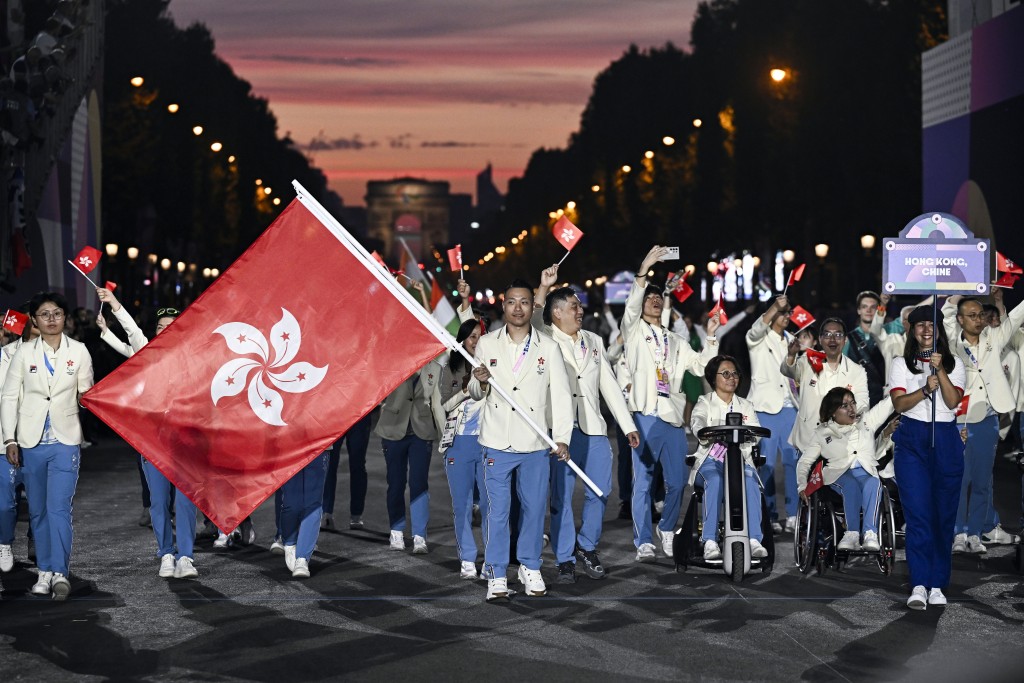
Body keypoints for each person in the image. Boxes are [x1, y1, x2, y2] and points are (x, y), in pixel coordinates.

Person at [468, 278, 573, 602]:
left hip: (535, 442)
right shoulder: (486, 344)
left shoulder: (549, 346)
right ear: (504, 304)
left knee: (532, 508)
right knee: (497, 511)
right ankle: (497, 572)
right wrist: (480, 382)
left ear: (532, 306)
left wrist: (562, 437)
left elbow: (561, 396)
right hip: (496, 439)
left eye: (524, 302)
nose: (518, 308)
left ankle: (530, 566)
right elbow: (474, 393)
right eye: (512, 301)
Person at [535, 265, 640, 583]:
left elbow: (608, 385)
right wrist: (544, 286)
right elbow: (534, 316)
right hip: (561, 432)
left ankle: (588, 546)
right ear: (556, 314)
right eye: (573, 306)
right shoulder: (546, 339)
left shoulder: (594, 341)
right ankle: (564, 556)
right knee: (562, 496)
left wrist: (627, 425)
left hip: (594, 429)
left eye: (579, 306)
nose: (580, 311)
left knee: (601, 490)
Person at [621, 246, 720, 562]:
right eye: (649, 298)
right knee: (644, 482)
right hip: (646, 415)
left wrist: (711, 336)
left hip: (673, 418)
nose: (654, 300)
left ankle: (666, 529)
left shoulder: (676, 342)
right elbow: (632, 307)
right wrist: (644, 268)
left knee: (678, 483)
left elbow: (703, 365)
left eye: (658, 298)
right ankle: (643, 541)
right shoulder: (634, 331)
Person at [96, 290, 200, 579]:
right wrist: (115, 306)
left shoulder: (192, 357)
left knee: (186, 499)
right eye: (160, 328)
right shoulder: (147, 353)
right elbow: (132, 334)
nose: (165, 332)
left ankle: (186, 557)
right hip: (154, 440)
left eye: (171, 327)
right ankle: (166, 553)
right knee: (158, 500)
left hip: (185, 440)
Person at [1, 292, 94, 600]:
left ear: (64, 318)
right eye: (44, 314)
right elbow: (9, 397)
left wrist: (88, 399)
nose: (51, 319)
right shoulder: (23, 352)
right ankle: (43, 573)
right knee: (38, 511)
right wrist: (10, 438)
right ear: (36, 321)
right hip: (29, 442)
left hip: (65, 440)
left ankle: (60, 572)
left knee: (59, 509)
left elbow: (86, 392)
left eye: (56, 313)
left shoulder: (79, 351)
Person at [889, 305, 966, 609]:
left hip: (945, 438)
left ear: (939, 330)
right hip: (912, 440)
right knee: (918, 514)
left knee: (943, 516)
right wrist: (923, 388)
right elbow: (898, 403)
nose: (925, 330)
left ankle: (937, 584)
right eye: (919, 325)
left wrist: (941, 371)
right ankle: (919, 583)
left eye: (930, 325)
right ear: (911, 330)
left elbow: (953, 400)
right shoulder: (900, 363)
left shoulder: (955, 363)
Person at [942, 291, 1024, 552]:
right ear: (961, 320)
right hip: (960, 421)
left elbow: (1014, 318)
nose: (978, 320)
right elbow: (945, 316)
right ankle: (958, 533)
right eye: (972, 316)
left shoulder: (993, 339)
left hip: (987, 419)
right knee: (960, 479)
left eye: (980, 315)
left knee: (981, 480)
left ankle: (976, 534)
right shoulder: (954, 344)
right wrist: (955, 291)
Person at [796, 387, 895, 552]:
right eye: (845, 405)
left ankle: (871, 533)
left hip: (865, 472)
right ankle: (852, 533)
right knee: (851, 485)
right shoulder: (822, 432)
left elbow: (889, 403)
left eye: (853, 403)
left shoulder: (867, 421)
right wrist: (801, 485)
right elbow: (805, 461)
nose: (851, 409)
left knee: (874, 482)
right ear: (833, 412)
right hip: (838, 475)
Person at [689, 355, 767, 560]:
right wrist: (702, 432)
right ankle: (710, 541)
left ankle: (754, 540)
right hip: (710, 461)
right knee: (714, 481)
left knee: (750, 482)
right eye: (725, 373)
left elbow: (756, 433)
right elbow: (697, 420)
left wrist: (749, 437)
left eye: (735, 374)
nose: (732, 378)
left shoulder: (745, 405)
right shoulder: (705, 402)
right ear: (713, 379)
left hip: (739, 461)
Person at [436, 318, 488, 580]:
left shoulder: (492, 365)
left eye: (480, 336)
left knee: (491, 504)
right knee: (463, 505)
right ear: (463, 339)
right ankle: (467, 559)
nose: (476, 341)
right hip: (459, 442)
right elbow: (445, 405)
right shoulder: (451, 367)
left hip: (489, 442)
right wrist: (468, 390)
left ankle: (492, 558)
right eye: (471, 336)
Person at [745, 294, 800, 532]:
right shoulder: (757, 338)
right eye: (783, 312)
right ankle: (769, 513)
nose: (787, 316)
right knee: (764, 464)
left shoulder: (793, 340)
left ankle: (793, 514)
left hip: (790, 407)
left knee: (793, 462)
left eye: (788, 312)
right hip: (765, 407)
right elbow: (755, 330)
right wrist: (773, 308)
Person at [376, 358, 441, 554]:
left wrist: (444, 434)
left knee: (419, 483)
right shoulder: (393, 362)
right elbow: (378, 391)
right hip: (393, 429)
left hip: (422, 432)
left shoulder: (435, 368)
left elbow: (437, 402)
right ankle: (396, 530)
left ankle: (420, 535)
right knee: (395, 483)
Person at [782, 317, 869, 462]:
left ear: (845, 340)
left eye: (838, 335)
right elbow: (788, 371)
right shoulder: (807, 361)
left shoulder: (857, 371)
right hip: (806, 442)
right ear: (820, 339)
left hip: (840, 444)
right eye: (827, 335)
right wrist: (791, 355)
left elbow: (863, 403)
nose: (833, 339)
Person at [0, 305, 38, 574]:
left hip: (42, 440)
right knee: (5, 502)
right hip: (7, 439)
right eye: (35, 324)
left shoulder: (63, 354)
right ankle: (4, 544)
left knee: (41, 500)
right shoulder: (6, 354)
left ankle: (36, 539)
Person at [279, 450, 330, 578]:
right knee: (292, 503)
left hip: (320, 443)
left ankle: (302, 559)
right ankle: (290, 543)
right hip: (290, 445)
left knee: (313, 503)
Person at [321, 413, 371, 531]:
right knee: (329, 464)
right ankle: (326, 513)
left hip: (360, 413)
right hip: (334, 413)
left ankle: (356, 514)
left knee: (357, 464)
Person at [843, 291, 888, 408]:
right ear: (858, 310)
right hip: (858, 396)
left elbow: (907, 316)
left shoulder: (887, 332)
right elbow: (842, 369)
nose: (868, 310)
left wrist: (934, 295)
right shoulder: (848, 338)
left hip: (883, 396)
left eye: (873, 307)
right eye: (864, 307)